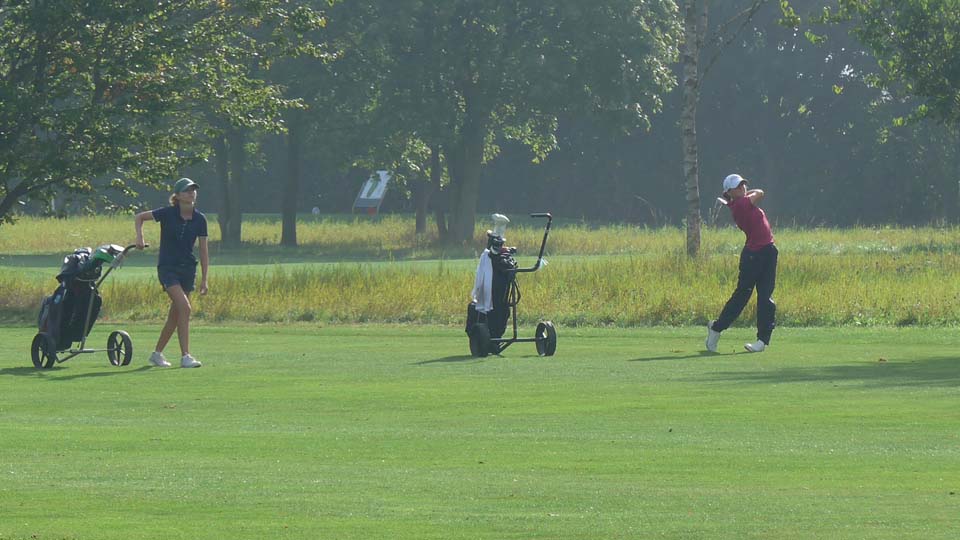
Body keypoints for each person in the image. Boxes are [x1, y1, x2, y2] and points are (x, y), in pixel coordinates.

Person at [135, 177, 209, 368]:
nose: (191, 193)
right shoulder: (167, 213)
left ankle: (157, 354)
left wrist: (205, 280)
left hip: (188, 269)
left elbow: (203, 251)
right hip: (168, 268)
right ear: (177, 196)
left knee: (175, 315)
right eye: (186, 190)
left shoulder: (200, 219)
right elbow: (140, 217)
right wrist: (140, 238)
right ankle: (186, 356)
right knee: (185, 308)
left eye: (193, 190)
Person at [705, 173, 778, 353]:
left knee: (765, 298)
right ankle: (716, 328)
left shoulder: (741, 201)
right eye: (738, 187)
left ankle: (762, 341)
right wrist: (745, 195)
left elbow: (756, 194)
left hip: (769, 251)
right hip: (753, 256)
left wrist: (741, 194)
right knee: (742, 297)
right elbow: (760, 192)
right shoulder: (742, 204)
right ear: (729, 192)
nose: (743, 188)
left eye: (743, 185)